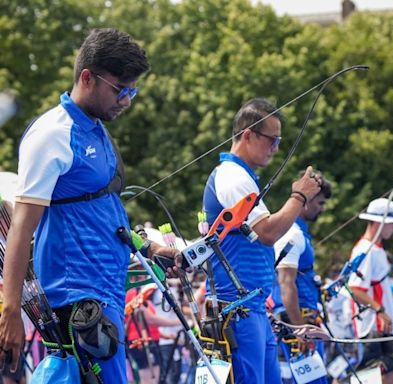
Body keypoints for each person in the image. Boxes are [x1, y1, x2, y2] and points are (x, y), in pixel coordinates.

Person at [0, 28, 181, 382]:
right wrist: (9, 311)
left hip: (107, 291)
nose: (127, 100)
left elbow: (104, 215)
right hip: (80, 299)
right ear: (87, 77)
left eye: (133, 90)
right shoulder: (52, 133)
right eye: (120, 89)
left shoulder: (95, 127)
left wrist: (150, 248)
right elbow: (21, 230)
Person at [202, 98, 320, 383]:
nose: (276, 148)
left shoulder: (243, 177)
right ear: (248, 135)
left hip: (251, 309)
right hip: (236, 310)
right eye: (272, 139)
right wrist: (299, 197)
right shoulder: (232, 176)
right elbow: (267, 233)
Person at [271, 169, 332, 383]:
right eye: (320, 203)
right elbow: (286, 284)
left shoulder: (300, 232)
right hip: (297, 323)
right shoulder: (292, 233)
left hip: (304, 320)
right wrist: (300, 329)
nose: (322, 209)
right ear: (306, 201)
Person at [347, 197, 393, 369]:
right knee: (375, 376)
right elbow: (355, 288)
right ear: (378, 223)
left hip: (381, 326)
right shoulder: (366, 250)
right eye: (392, 223)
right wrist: (380, 310)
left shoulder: (376, 250)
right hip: (373, 327)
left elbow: (381, 286)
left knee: (390, 375)